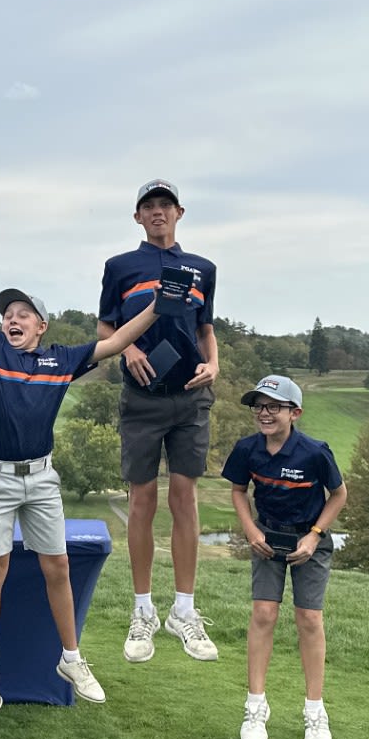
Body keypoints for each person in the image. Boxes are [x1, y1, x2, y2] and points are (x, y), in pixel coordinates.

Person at [0, 228, 159, 713]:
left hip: (42, 478)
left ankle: (72, 657)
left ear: (41, 325)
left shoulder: (61, 359)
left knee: (56, 564)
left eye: (22, 315)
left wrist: (160, 305)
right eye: (7, 316)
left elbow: (121, 339)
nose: (11, 321)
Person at [97, 179, 220, 665]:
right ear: (137, 218)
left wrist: (215, 365)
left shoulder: (203, 269)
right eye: (148, 207)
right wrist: (126, 349)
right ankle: (143, 610)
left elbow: (206, 329)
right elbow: (106, 327)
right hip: (141, 398)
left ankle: (184, 612)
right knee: (142, 498)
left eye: (164, 206)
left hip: (191, 397)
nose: (157, 213)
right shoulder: (120, 267)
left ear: (179, 212)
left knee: (184, 497)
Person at [222, 375, 347, 739]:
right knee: (263, 613)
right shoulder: (248, 449)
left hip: (309, 541)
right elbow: (238, 490)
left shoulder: (314, 452)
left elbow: (339, 495)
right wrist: (250, 530)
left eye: (273, 406)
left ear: (295, 413)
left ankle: (315, 713)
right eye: (259, 406)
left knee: (309, 619)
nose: (264, 413)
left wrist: (314, 535)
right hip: (267, 539)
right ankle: (255, 708)